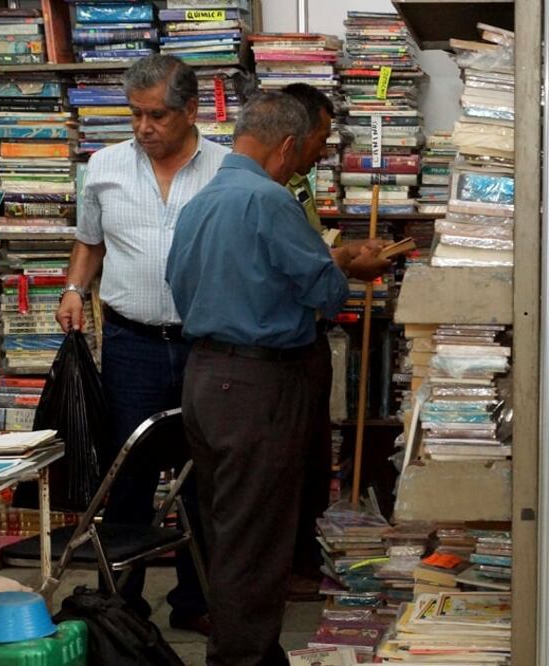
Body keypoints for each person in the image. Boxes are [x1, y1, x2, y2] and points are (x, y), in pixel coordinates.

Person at [166, 92, 389, 665]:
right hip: (258, 385)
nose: (302, 165)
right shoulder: (270, 201)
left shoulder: (199, 200)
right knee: (257, 540)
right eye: (303, 153)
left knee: (230, 527)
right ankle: (241, 658)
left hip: (205, 374)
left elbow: (184, 283)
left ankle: (253, 653)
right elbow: (325, 292)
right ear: (286, 145)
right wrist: (347, 268)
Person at [55, 54, 225, 635]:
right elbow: (89, 242)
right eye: (135, 115)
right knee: (125, 477)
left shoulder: (228, 170)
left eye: (157, 115)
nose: (144, 127)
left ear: (191, 110)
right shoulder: (102, 166)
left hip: (208, 346)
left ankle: (195, 603)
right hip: (131, 343)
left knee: (203, 479)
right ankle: (119, 605)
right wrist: (76, 288)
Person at [281, 82, 388, 599]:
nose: (325, 149)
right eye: (321, 137)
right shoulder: (270, 191)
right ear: (293, 136)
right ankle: (291, 568)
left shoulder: (297, 183)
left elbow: (312, 245)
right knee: (292, 461)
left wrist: (342, 250)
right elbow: (297, 267)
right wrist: (346, 262)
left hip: (308, 339)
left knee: (312, 455)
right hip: (287, 342)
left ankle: (305, 559)